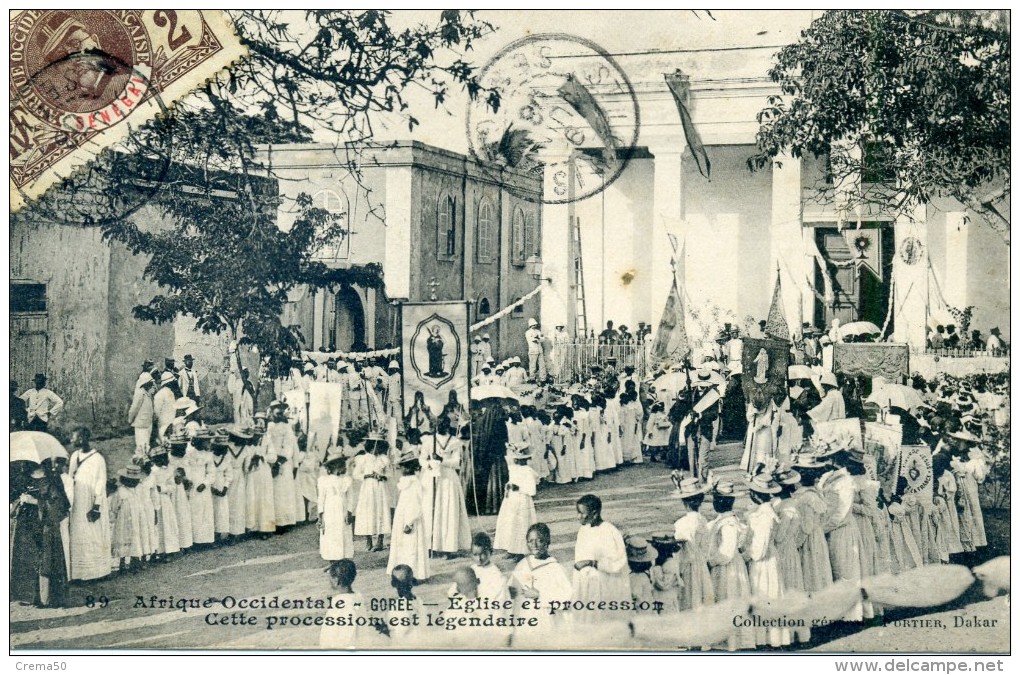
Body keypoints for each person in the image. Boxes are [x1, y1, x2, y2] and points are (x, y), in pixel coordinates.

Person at [744, 473, 791, 647]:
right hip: (763, 559)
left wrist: (745, 555)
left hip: (764, 562)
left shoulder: (766, 516)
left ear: (755, 494)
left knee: (766, 594)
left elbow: (759, 549)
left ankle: (771, 639)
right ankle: (764, 637)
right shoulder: (760, 512)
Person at [706, 481, 754, 650]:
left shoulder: (729, 524)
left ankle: (732, 640)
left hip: (728, 566)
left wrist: (711, 561)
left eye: (716, 500)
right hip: (725, 565)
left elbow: (727, 551)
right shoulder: (723, 521)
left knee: (728, 595)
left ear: (721, 502)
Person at [571, 494, 629, 623]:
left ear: (595, 513)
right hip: (586, 584)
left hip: (604, 585)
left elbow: (617, 562)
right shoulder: (583, 530)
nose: (578, 516)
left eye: (581, 513)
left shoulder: (609, 532)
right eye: (577, 512)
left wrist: (591, 563)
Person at [67, 427, 111, 581]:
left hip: (91, 500)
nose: (72, 440)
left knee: (93, 533)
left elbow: (101, 482)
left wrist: (97, 506)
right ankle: (79, 574)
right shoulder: (74, 456)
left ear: (83, 439)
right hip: (77, 500)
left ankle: (96, 572)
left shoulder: (98, 458)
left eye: (75, 437)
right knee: (78, 532)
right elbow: (70, 477)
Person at [509, 523, 573, 622]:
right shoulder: (523, 564)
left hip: (547, 620)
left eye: (539, 541)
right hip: (525, 618)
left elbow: (567, 598)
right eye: (530, 541)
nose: (534, 545)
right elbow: (511, 590)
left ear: (547, 542)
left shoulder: (556, 568)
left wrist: (540, 595)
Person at [671, 476, 715, 612]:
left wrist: (678, 571)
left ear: (683, 501)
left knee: (690, 599)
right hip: (702, 565)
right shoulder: (702, 520)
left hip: (689, 568)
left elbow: (683, 553)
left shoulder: (682, 524)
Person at [319, 559, 383, 649]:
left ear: (336, 580)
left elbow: (347, 637)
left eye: (330, 578)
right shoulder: (357, 596)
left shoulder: (344, 605)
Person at [387, 450, 429, 580]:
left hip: (410, 520)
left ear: (410, 467)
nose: (402, 469)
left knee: (411, 546)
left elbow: (416, 504)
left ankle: (413, 574)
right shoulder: (405, 482)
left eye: (404, 466)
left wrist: (409, 522)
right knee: (402, 545)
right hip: (402, 517)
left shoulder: (414, 483)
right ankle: (401, 572)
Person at [494, 445, 538, 558]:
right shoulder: (513, 469)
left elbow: (532, 490)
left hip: (522, 500)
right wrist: (508, 486)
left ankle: (520, 551)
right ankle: (511, 549)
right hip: (511, 500)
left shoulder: (528, 471)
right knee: (510, 524)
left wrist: (519, 488)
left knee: (520, 525)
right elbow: (511, 480)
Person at [354, 434, 392, 552]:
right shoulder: (363, 459)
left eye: (378, 445)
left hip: (380, 488)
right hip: (368, 488)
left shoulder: (384, 459)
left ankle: (380, 541)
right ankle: (368, 541)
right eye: (374, 445)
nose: (376, 448)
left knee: (381, 511)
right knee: (368, 512)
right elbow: (356, 474)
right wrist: (367, 475)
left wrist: (382, 476)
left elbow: (390, 474)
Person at [265, 401, 299, 531]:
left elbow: (289, 446)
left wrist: (279, 461)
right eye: (276, 409)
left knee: (282, 492)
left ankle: (283, 522)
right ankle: (270, 521)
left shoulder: (286, 427)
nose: (279, 412)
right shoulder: (268, 426)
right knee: (271, 492)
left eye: (281, 410)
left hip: (283, 461)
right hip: (269, 460)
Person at [318, 450, 355, 562]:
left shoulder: (346, 480)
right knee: (330, 533)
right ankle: (332, 560)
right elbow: (321, 498)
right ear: (334, 467)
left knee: (342, 532)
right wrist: (320, 516)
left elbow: (351, 498)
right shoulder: (323, 481)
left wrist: (349, 512)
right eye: (342, 464)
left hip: (342, 511)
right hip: (329, 511)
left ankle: (342, 559)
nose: (344, 467)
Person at [128, 374, 156, 456]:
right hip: (141, 424)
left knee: (146, 445)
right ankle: (140, 461)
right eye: (149, 383)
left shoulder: (148, 393)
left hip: (147, 423)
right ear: (145, 383)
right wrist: (130, 419)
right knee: (141, 446)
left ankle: (145, 460)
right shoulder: (140, 393)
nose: (151, 385)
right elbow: (134, 408)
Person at [153, 371, 178, 441]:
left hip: (166, 426)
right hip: (165, 426)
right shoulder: (163, 394)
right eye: (172, 382)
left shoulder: (161, 394)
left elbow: (156, 413)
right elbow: (156, 413)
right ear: (169, 383)